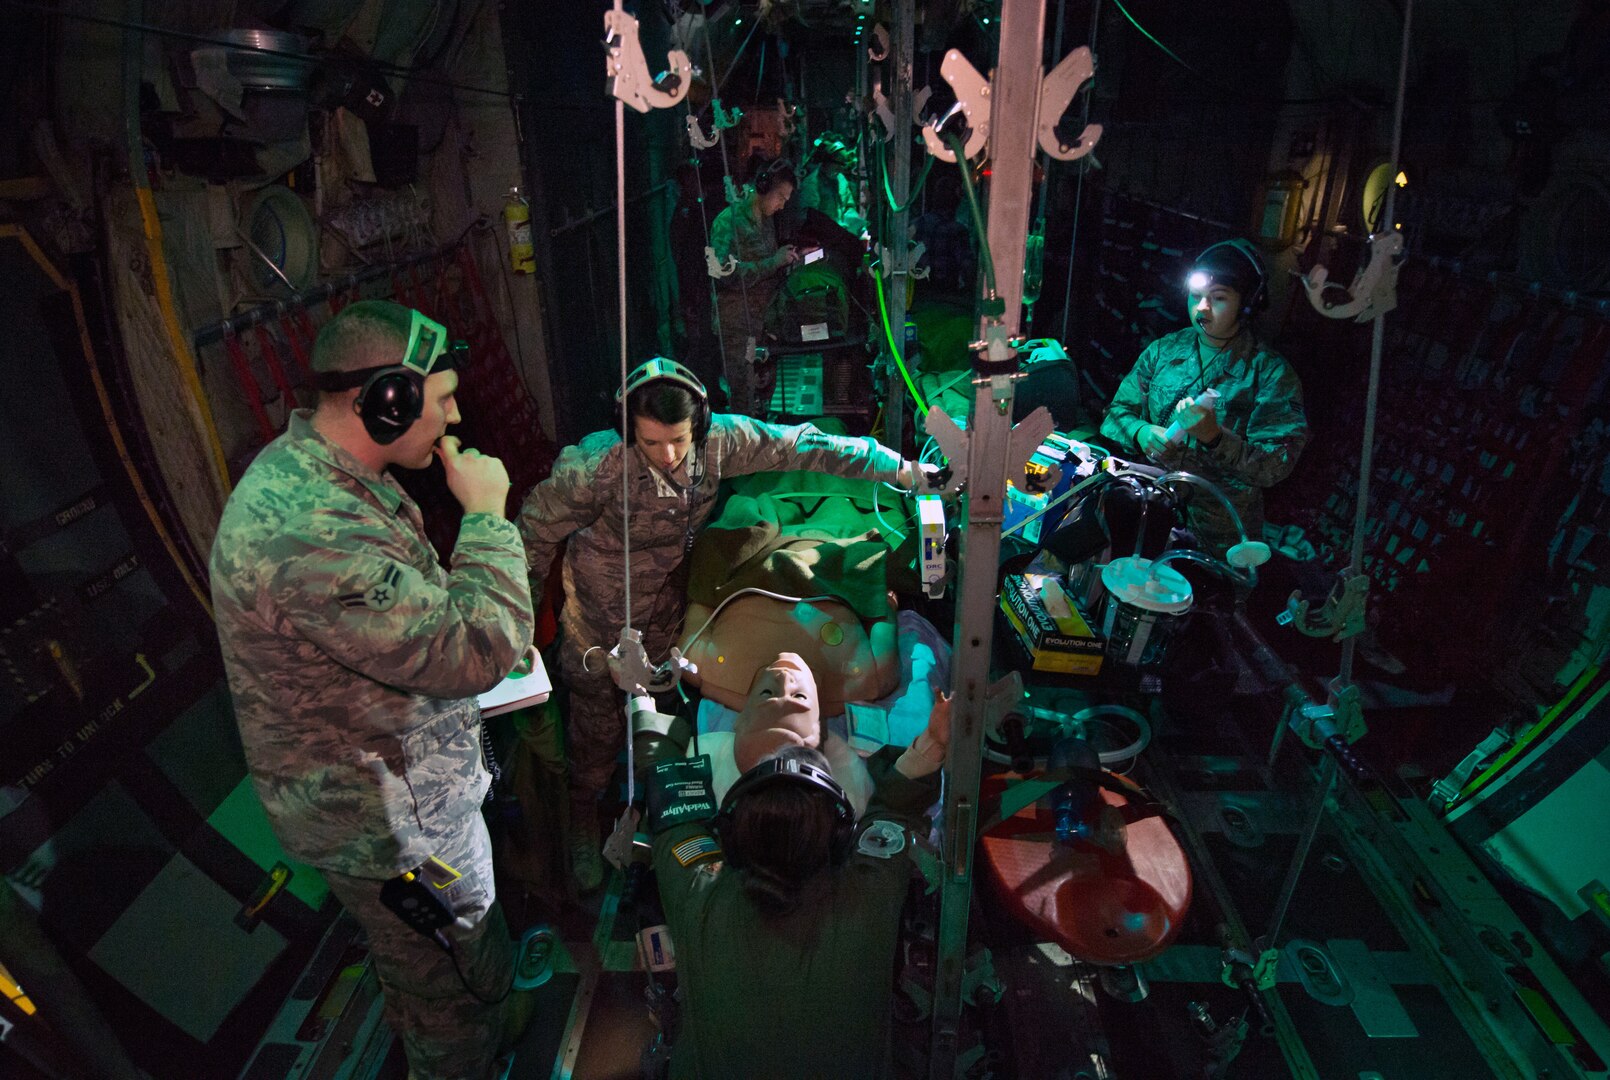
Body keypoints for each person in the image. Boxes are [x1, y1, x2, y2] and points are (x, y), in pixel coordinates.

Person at [210, 300, 534, 1080]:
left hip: (407, 786)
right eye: (443, 395)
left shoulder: (330, 476)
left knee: (456, 952)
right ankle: (463, 1053)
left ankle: (497, 1012)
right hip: (392, 827)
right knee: (439, 985)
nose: (457, 413)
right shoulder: (308, 527)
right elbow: (477, 646)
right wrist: (488, 517)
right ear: (384, 400)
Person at [516, 357, 933, 891]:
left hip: (671, 620)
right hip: (600, 626)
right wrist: (521, 626)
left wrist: (899, 469)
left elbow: (804, 445)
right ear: (628, 433)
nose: (668, 457)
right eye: (651, 444)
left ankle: (652, 813)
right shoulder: (592, 470)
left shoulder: (719, 444)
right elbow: (529, 536)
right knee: (596, 731)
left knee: (666, 728)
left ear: (700, 425)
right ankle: (583, 816)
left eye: (679, 440)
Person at [644, 687, 950, 1079]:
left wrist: (649, 712)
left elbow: (675, 818)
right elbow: (893, 811)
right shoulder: (870, 896)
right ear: (841, 840)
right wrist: (936, 739)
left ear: (732, 840)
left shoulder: (699, 894)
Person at [1100, 239, 1309, 556]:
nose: (1202, 308)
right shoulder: (1164, 351)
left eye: (1219, 298)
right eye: (1196, 296)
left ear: (1246, 304)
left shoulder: (1270, 375)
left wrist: (1215, 437)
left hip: (1219, 539)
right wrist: (1141, 432)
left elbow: (1275, 467)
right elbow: (1116, 413)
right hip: (1148, 517)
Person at [709, 157, 798, 415]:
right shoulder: (729, 222)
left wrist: (784, 260)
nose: (782, 205)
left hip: (759, 322)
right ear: (763, 187)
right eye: (780, 197)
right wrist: (773, 262)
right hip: (736, 324)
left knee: (760, 388)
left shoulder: (766, 220)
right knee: (742, 394)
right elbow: (722, 272)